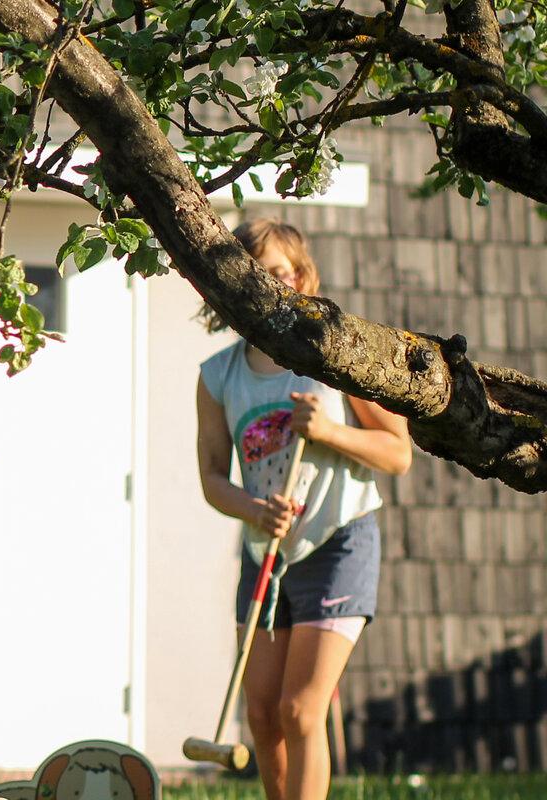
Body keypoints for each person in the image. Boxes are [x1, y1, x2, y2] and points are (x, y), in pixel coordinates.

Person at [195, 219, 412, 800]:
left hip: (338, 543)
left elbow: (398, 454)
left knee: (300, 710)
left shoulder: (333, 358)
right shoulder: (219, 375)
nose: (271, 286)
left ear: (302, 278)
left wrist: (331, 433)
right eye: (255, 276)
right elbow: (213, 479)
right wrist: (251, 510)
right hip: (266, 552)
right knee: (263, 715)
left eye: (281, 274)